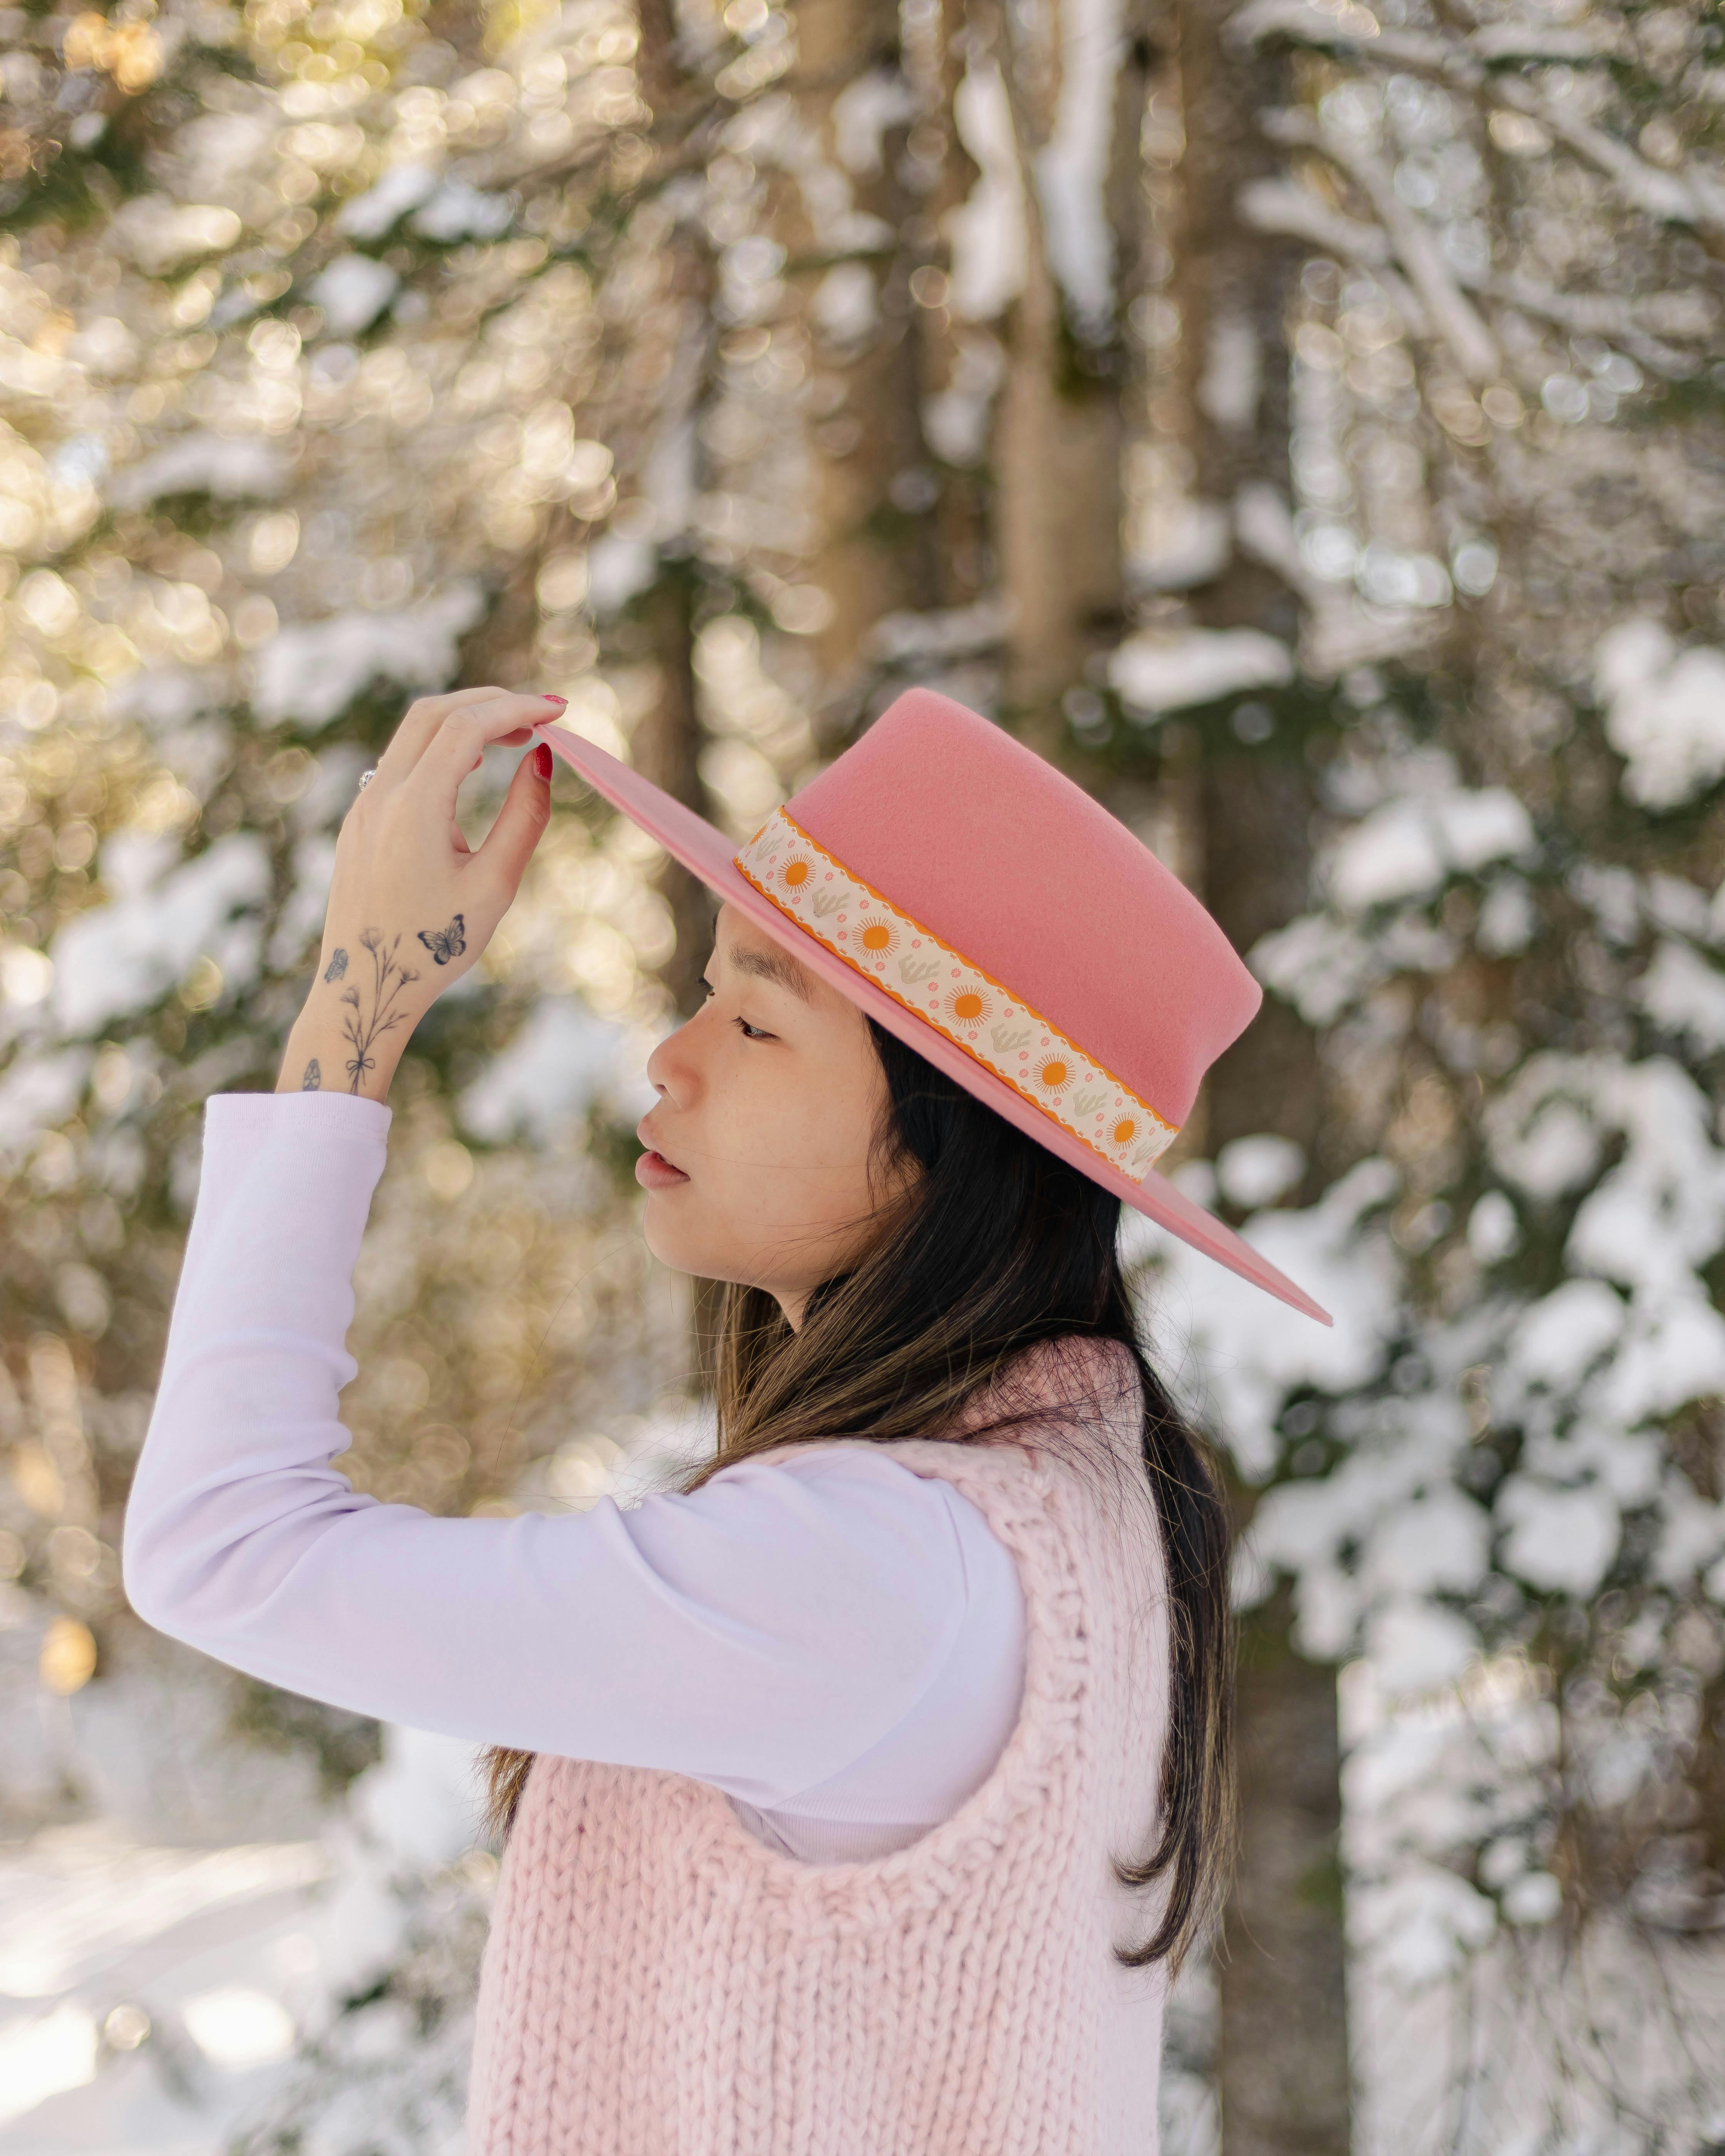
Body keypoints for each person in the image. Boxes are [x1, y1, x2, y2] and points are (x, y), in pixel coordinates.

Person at [123, 681, 1331, 2154]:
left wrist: (357, 1002)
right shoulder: (1063, 1498)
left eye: (757, 1022)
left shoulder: (870, 1569)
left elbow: (220, 1547)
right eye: (707, 990)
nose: (671, 1056)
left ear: (960, 1147)